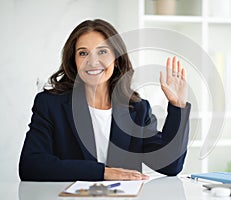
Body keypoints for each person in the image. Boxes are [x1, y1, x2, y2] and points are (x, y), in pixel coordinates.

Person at [19, 19, 191, 181]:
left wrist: (178, 106)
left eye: (102, 51)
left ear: (116, 59)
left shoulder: (137, 109)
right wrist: (102, 172)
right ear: (74, 61)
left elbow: (171, 165)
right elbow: (31, 166)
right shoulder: (50, 104)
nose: (93, 61)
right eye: (83, 53)